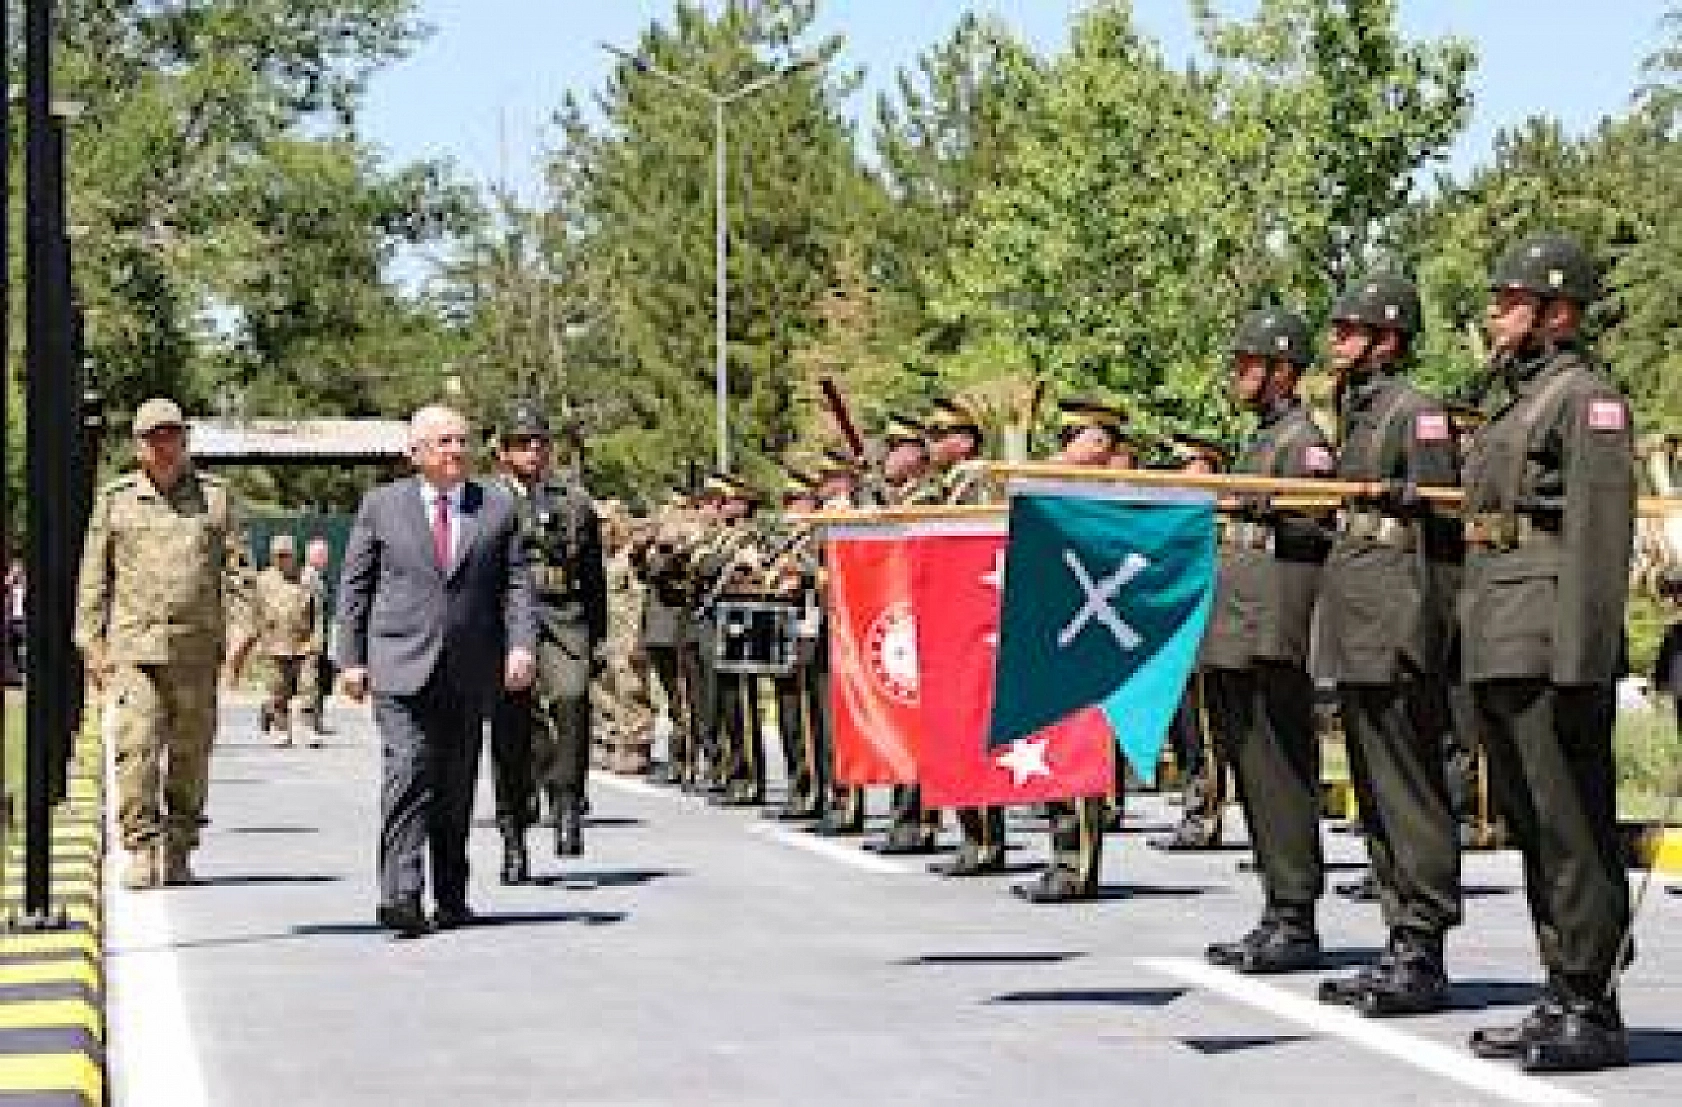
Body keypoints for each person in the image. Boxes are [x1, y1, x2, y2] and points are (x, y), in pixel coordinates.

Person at [1460, 234, 1635, 1072]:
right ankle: (1561, 987)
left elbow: (1599, 542)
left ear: (1555, 311)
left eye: (1509, 300)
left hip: (1547, 639)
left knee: (1571, 827)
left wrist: (1583, 660)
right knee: (1535, 825)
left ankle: (1591, 1001)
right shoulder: (1516, 400)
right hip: (1502, 629)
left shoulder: (1587, 400)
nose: (1494, 314)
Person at [1313, 274, 1465, 1016]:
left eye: (1350, 328)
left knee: (1408, 788)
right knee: (1375, 791)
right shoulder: (1358, 409)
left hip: (1398, 622)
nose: (1336, 340)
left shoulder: (1417, 413)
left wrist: (1423, 634)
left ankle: (1424, 940)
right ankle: (1397, 934)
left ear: (1388, 336)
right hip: (1359, 619)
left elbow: (1441, 536)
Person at [335, 404, 537, 937]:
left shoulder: (494, 508)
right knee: (408, 772)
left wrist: (521, 647)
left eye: (461, 442)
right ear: (416, 453)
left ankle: (451, 893)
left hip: (469, 670)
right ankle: (400, 894)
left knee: (455, 785)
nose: (455, 452)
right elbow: (355, 586)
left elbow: (516, 584)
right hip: (401, 664)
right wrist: (350, 659)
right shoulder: (382, 507)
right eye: (443, 442)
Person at [1201, 308, 1335, 974]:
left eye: (1250, 363)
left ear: (1283, 369)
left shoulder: (1302, 442)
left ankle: (1295, 913)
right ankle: (1276, 906)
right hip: (1239, 628)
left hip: (1269, 632)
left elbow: (1308, 532)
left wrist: (1282, 639)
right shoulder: (1264, 438)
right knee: (1255, 776)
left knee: (1281, 774)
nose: (1239, 374)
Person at [75, 397, 253, 890]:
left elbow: (239, 574)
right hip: (135, 649)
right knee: (136, 749)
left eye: (172, 435)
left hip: (196, 649)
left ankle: (179, 847)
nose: (165, 446)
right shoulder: (116, 500)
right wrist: (91, 641)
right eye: (154, 437)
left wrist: (242, 634)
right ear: (138, 446)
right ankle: (139, 845)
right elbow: (95, 576)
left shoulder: (215, 499)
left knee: (191, 754)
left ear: (186, 439)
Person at [1013, 399, 1131, 902]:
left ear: (1102, 444)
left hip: (1090, 641)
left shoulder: (1114, 493)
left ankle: (1076, 865)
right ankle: (1060, 855)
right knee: (1058, 748)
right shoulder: (1059, 487)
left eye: (1076, 438)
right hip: (1054, 632)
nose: (1065, 450)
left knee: (1082, 749)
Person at [486, 400, 608, 883]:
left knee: (573, 698)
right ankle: (513, 833)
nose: (532, 450)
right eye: (521, 443)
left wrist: (597, 638)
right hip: (505, 623)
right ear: (503, 452)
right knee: (512, 729)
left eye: (539, 441)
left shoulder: (574, 502)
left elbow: (593, 577)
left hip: (564, 616)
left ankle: (567, 798)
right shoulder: (486, 501)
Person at [1152, 433, 1229, 852]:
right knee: (1184, 731)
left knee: (1204, 731)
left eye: (1190, 466)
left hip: (1207, 633)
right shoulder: (1181, 515)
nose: (1182, 475)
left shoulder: (1218, 515)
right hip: (1178, 634)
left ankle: (1205, 814)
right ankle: (1193, 806)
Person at [253, 533, 326, 749]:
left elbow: (319, 611)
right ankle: (281, 728)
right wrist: (260, 641)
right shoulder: (264, 580)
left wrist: (318, 641)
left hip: (304, 643)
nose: (282, 560)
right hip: (274, 644)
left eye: (286, 555)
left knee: (309, 687)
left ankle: (310, 727)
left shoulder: (309, 578)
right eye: (278, 556)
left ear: (294, 555)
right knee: (277, 689)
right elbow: (256, 612)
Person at [299, 536, 337, 736]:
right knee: (311, 681)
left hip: (324, 636)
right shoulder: (306, 578)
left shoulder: (322, 577)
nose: (325, 557)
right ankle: (308, 723)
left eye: (326, 554)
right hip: (311, 638)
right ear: (310, 555)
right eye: (321, 554)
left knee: (324, 679)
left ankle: (317, 721)